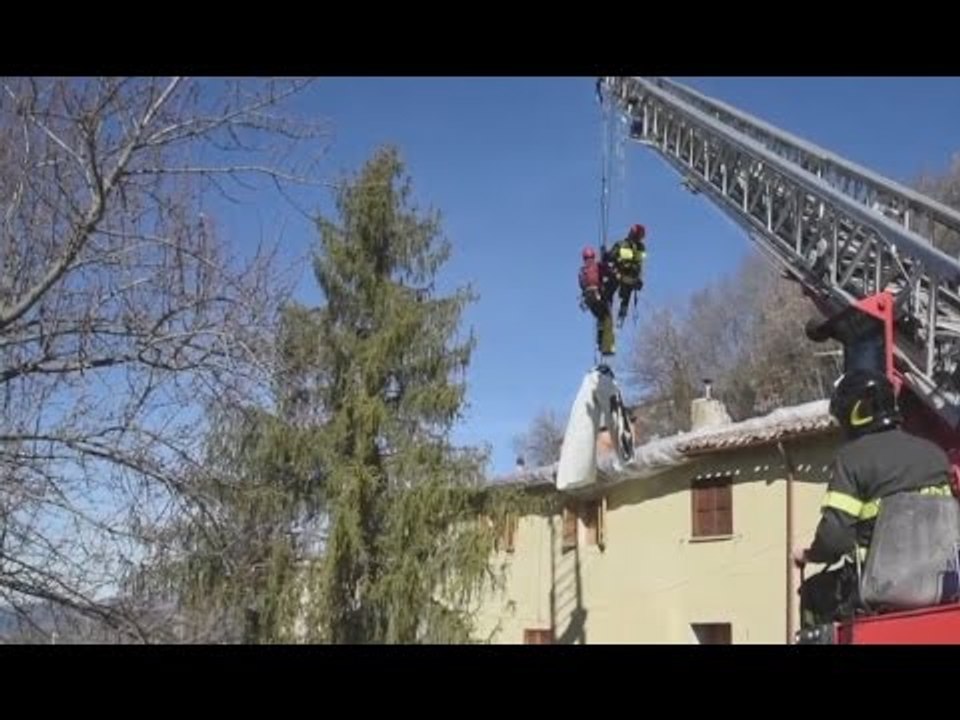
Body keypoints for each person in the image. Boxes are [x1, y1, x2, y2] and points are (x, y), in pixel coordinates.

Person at [793, 368, 955, 626]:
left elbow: (835, 540)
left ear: (854, 414)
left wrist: (810, 555)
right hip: (941, 587)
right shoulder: (935, 455)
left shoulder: (852, 459)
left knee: (813, 592)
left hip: (877, 589)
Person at [603, 224, 646, 325]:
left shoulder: (621, 244)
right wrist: (638, 280)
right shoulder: (642, 248)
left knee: (608, 290)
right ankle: (621, 315)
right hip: (632, 279)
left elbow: (610, 257)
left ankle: (607, 313)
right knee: (626, 296)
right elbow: (639, 264)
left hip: (620, 275)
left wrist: (604, 253)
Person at [578, 246, 615, 355]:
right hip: (597, 295)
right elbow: (607, 271)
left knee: (601, 318)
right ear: (593, 256)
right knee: (607, 318)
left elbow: (581, 285)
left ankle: (600, 342)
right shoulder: (597, 266)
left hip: (589, 300)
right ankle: (606, 347)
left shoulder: (582, 271)